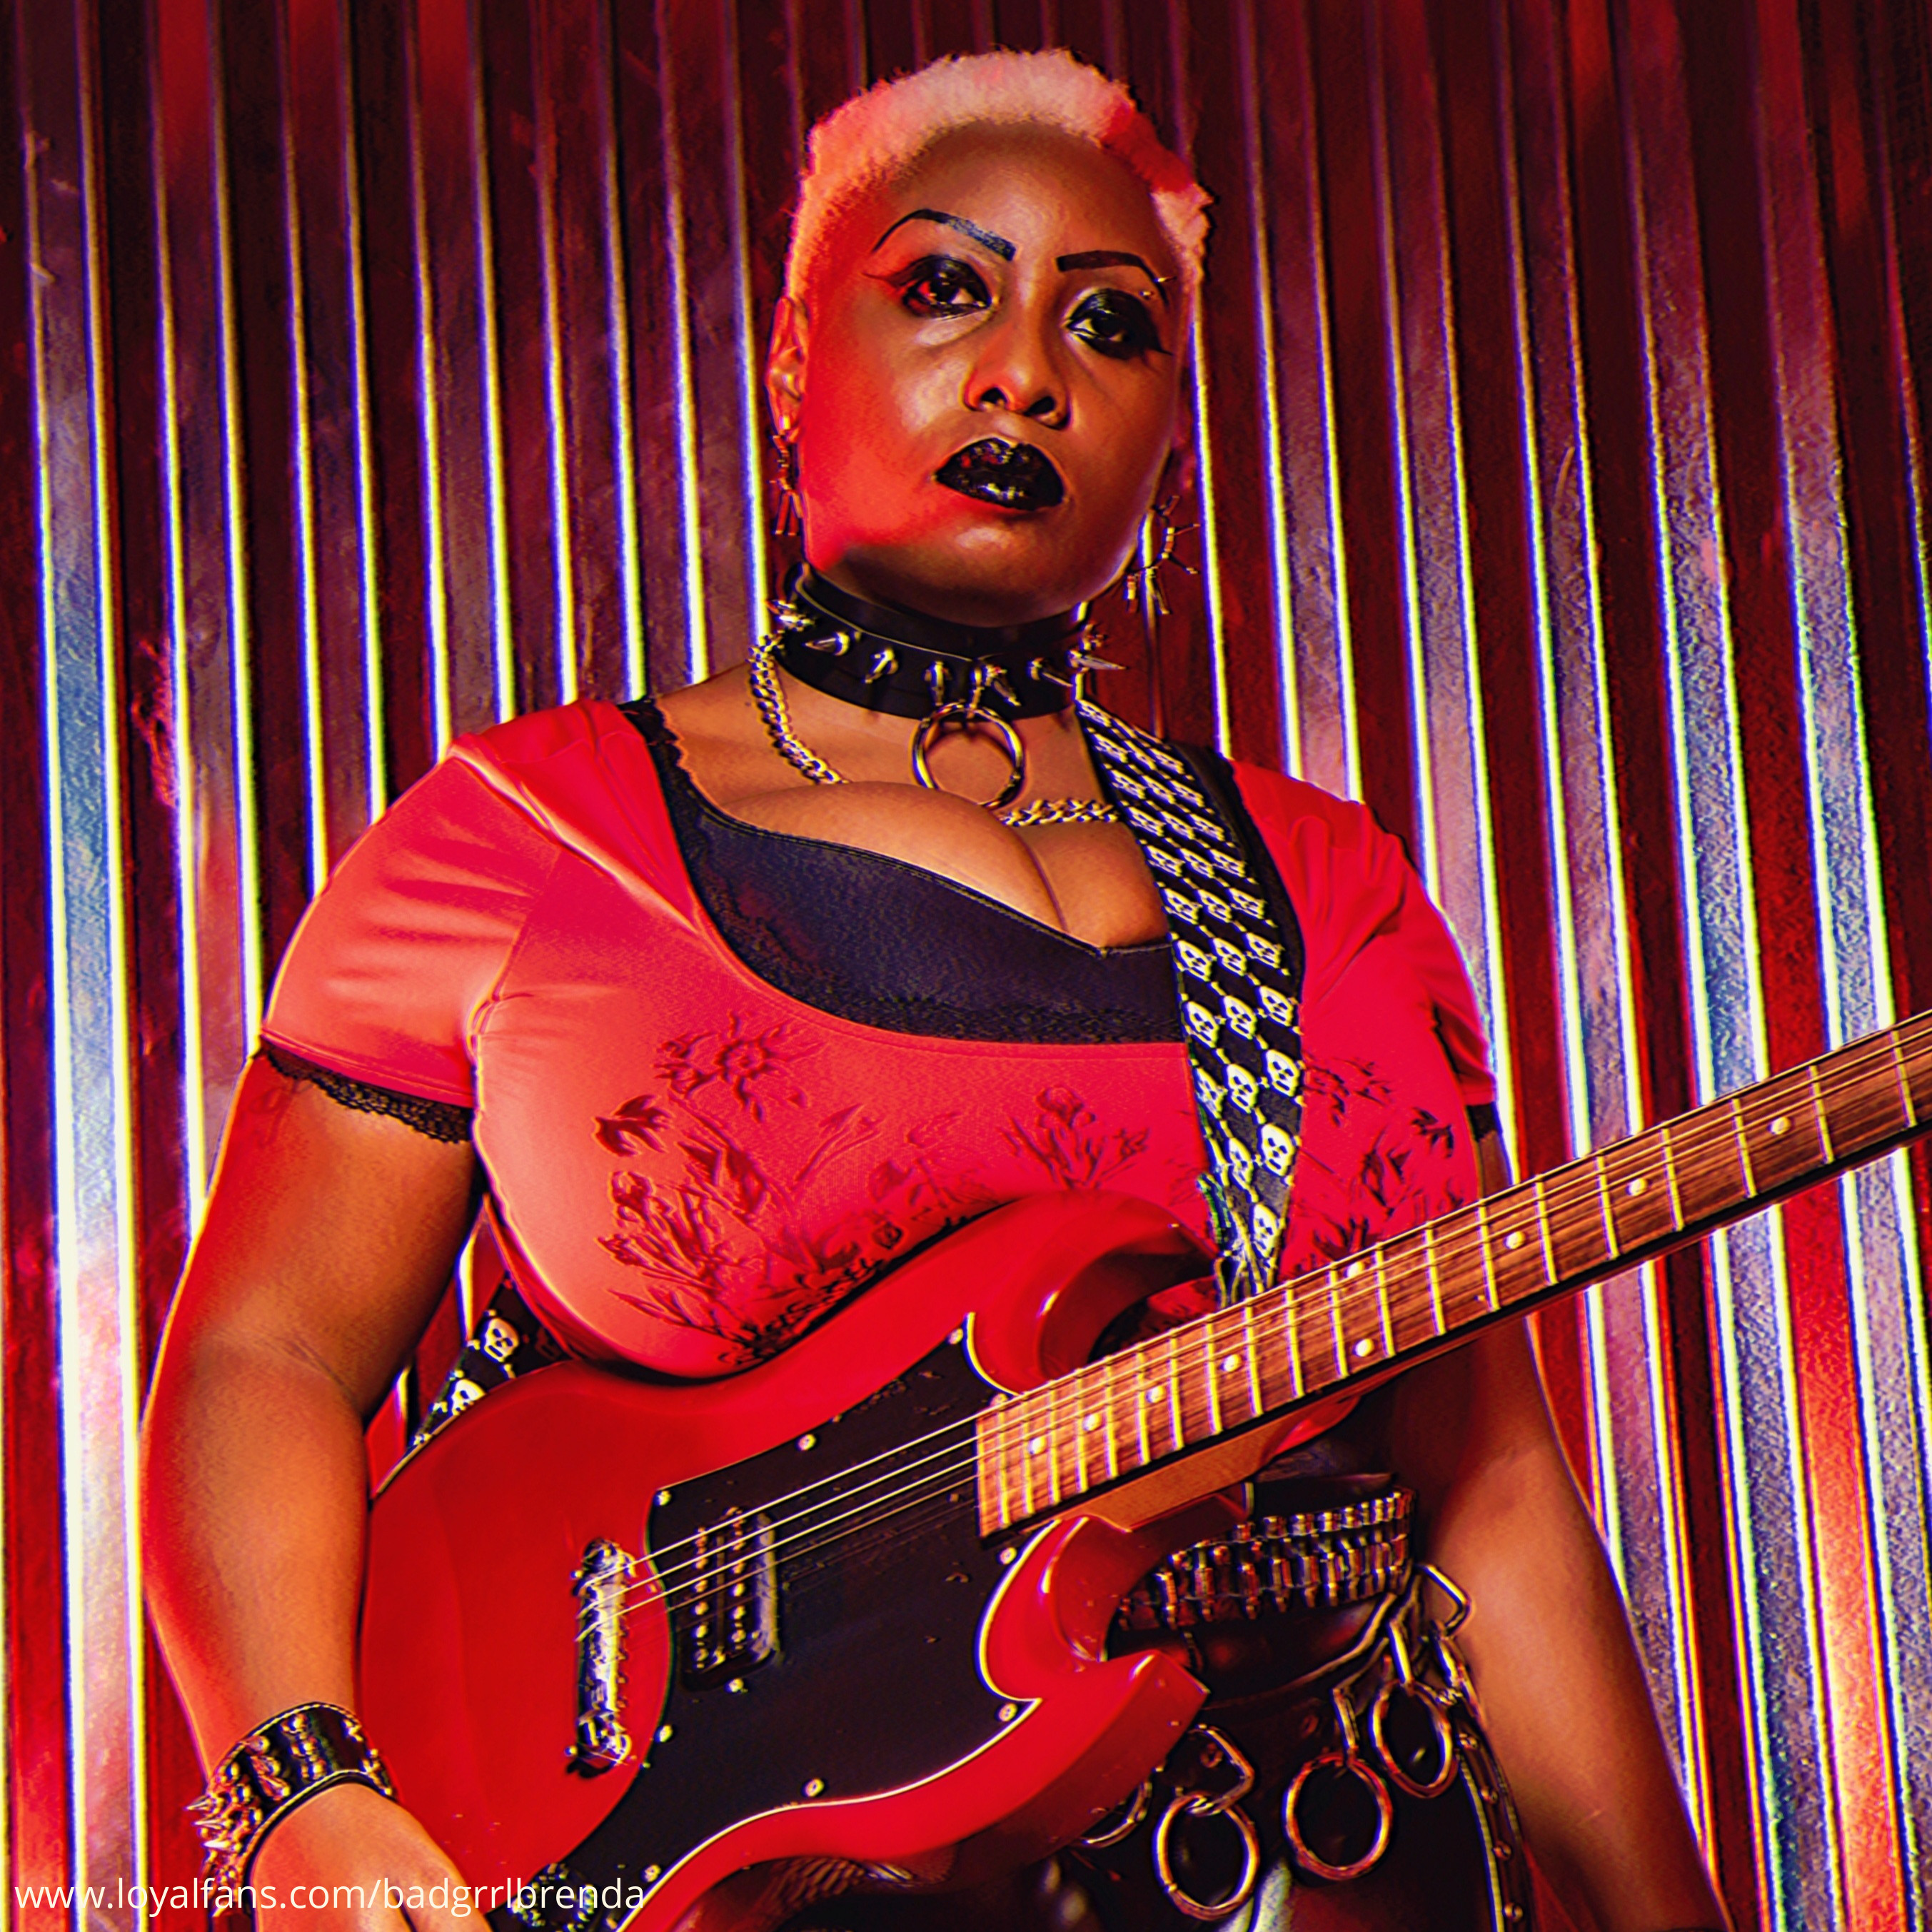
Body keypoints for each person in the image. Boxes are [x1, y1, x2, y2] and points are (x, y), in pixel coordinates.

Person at [143, 49, 1730, 1932]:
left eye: (1110, 324)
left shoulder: (1333, 884)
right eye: (945, 287)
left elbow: (1488, 1480)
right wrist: (303, 1790)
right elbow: (264, 1354)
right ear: (791, 360)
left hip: (1325, 1866)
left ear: (1171, 428)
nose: (1024, 372)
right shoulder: (527, 833)